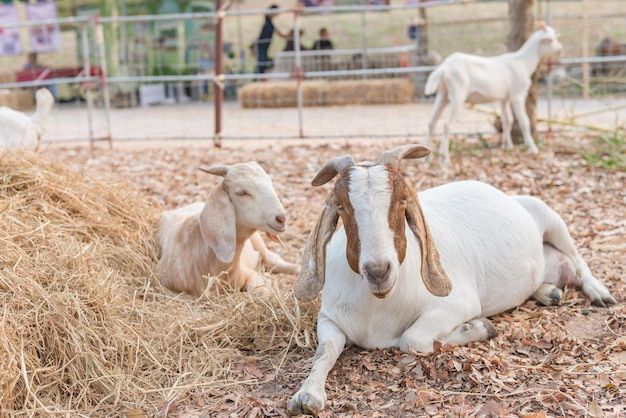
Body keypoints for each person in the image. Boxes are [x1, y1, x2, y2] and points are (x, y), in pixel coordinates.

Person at [252, 4, 288, 74]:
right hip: (262, 46)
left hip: (264, 46)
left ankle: (259, 77)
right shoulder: (267, 23)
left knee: (264, 62)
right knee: (262, 63)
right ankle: (257, 77)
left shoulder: (269, 23)